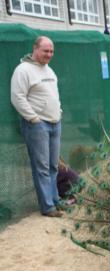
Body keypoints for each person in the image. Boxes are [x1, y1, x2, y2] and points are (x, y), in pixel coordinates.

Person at [11, 36, 63, 217]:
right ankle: (47, 207)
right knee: (41, 167)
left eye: (51, 51)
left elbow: (53, 94)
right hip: (38, 125)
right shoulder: (23, 70)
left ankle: (56, 200)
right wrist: (33, 119)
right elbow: (17, 97)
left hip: (55, 123)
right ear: (35, 49)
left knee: (53, 165)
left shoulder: (49, 70)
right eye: (45, 51)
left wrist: (59, 112)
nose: (49, 55)